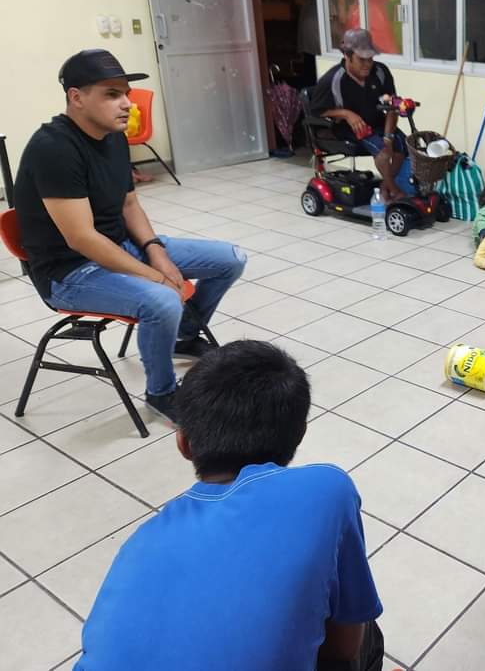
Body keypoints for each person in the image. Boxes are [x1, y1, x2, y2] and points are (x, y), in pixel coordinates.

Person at [75, 340, 384, 671]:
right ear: (300, 434)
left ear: (183, 443)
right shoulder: (327, 490)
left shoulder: (142, 538)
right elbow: (343, 649)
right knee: (368, 635)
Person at [13, 50, 245, 422]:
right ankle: (162, 393)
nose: (126, 103)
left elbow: (129, 204)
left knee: (230, 259)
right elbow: (81, 239)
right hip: (69, 272)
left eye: (126, 92)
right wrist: (156, 277)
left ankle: (183, 336)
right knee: (162, 300)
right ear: (76, 97)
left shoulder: (114, 137)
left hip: (119, 248)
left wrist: (156, 252)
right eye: (111, 94)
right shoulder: (53, 148)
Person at [308, 28, 407, 200]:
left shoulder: (380, 72)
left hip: (379, 123)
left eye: (370, 59)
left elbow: (393, 105)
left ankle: (385, 188)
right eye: (361, 59)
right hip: (350, 129)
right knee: (383, 153)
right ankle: (396, 193)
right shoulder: (333, 80)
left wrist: (388, 136)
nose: (367, 64)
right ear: (347, 55)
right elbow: (316, 110)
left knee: (403, 148)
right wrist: (346, 114)